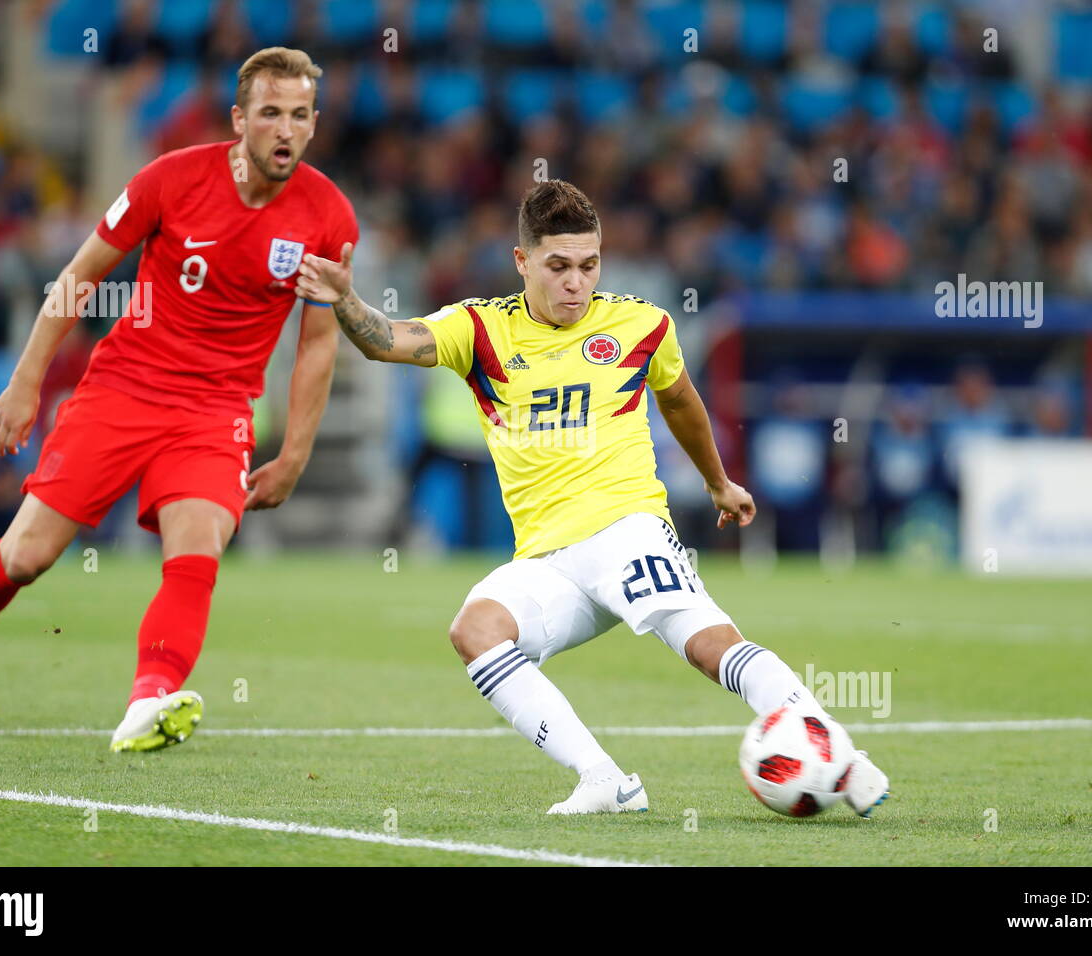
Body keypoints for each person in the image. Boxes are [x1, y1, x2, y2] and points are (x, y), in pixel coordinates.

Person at [294, 179, 889, 816]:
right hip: (548, 558)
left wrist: (718, 480)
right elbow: (386, 340)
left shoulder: (640, 323)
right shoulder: (481, 329)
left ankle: (841, 756)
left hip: (626, 527)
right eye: (558, 267)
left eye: (588, 265)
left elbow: (682, 399)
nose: (576, 282)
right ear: (523, 262)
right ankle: (606, 780)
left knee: (707, 645)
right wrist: (347, 299)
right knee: (477, 629)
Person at [0, 47, 357, 751]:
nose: (284, 130)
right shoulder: (169, 180)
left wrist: (293, 453)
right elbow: (79, 276)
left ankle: (150, 700)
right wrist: (25, 382)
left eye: (299, 115)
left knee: (197, 549)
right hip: (124, 389)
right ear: (239, 119)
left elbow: (319, 342)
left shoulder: (328, 215)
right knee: (25, 556)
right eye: (270, 113)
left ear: (314, 124)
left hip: (216, 410)